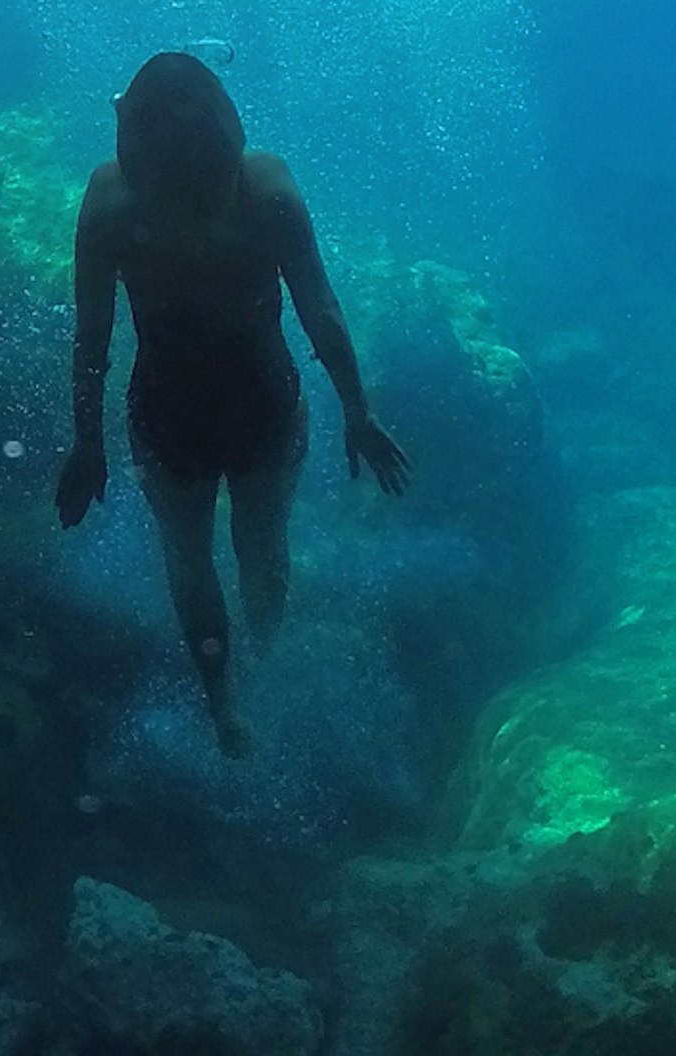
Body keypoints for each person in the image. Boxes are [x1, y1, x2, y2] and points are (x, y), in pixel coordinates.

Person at [53, 50, 411, 755]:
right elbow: (321, 312)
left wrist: (88, 441)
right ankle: (253, 674)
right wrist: (355, 411)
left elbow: (92, 337)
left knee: (195, 558)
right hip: (257, 405)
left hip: (175, 411)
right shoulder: (262, 189)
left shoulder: (113, 204)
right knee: (257, 546)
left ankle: (229, 705)